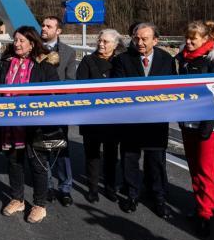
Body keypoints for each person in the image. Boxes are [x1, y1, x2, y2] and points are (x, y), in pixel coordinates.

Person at [0, 26, 61, 224]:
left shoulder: (44, 65)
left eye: (21, 41)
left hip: (35, 124)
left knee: (37, 163)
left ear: (32, 44)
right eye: (15, 40)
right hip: (9, 124)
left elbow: (55, 93)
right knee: (14, 162)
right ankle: (18, 199)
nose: (16, 44)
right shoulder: (6, 63)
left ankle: (39, 205)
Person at [112, 22, 177, 219]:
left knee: (156, 161)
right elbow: (117, 89)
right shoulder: (122, 60)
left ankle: (158, 197)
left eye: (144, 39)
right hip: (131, 120)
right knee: (130, 159)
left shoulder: (166, 59)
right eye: (136, 38)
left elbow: (173, 87)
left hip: (156, 119)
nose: (139, 43)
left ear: (155, 40)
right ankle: (132, 195)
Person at [175, 20, 214, 238]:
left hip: (208, 124)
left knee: (206, 171)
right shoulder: (183, 58)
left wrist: (208, 124)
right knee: (194, 168)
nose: (188, 42)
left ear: (206, 39)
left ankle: (206, 215)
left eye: (193, 39)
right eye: (186, 38)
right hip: (188, 120)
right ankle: (199, 207)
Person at [77, 28, 122, 203]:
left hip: (113, 116)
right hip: (92, 115)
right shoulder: (88, 61)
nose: (101, 44)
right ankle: (93, 188)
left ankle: (110, 187)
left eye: (105, 41)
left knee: (111, 155)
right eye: (100, 40)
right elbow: (80, 87)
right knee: (92, 154)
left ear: (115, 45)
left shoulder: (120, 62)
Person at [40, 15, 78, 206]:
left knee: (61, 148)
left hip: (58, 106)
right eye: (43, 25)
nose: (44, 28)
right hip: (38, 106)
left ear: (58, 31)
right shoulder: (34, 48)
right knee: (41, 146)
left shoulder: (69, 52)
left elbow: (70, 80)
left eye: (48, 26)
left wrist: (57, 97)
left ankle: (65, 187)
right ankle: (47, 185)